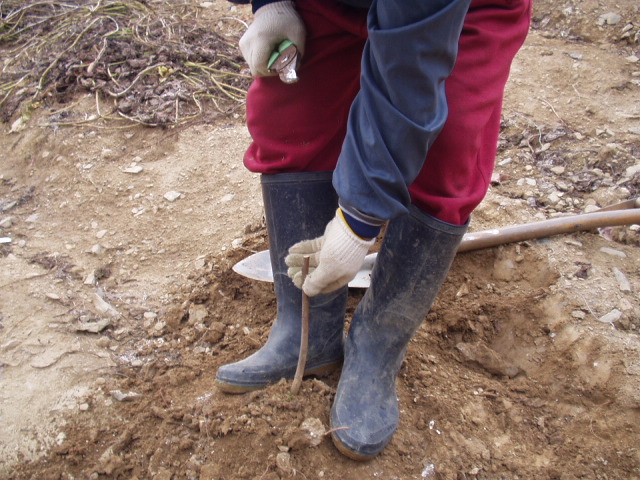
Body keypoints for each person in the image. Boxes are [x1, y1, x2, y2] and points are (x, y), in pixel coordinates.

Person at [215, 0, 532, 460]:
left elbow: (410, 72)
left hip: (454, 12)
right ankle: (306, 337)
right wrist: (272, 4)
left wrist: (358, 221)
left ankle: (376, 349)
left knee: (450, 144)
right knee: (293, 111)